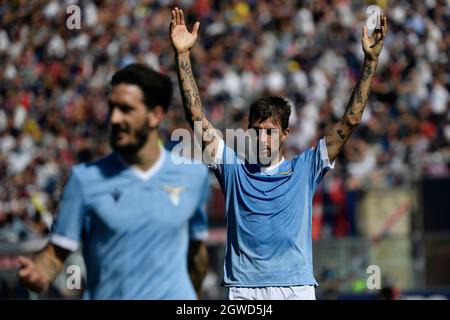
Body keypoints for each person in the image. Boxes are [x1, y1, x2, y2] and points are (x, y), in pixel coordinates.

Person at [170, 7, 387, 300]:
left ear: (285, 134)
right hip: (244, 291)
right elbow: (196, 116)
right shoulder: (233, 169)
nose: (263, 138)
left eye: (270, 131)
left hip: (295, 288)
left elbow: (350, 121)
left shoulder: (306, 168)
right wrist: (182, 55)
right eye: (257, 130)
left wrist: (370, 62)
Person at [17, 63, 210, 300]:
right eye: (112, 108)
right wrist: (38, 274)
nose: (115, 118)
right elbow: (56, 253)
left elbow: (196, 253)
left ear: (155, 115)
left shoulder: (194, 176)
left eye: (126, 109)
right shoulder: (84, 179)